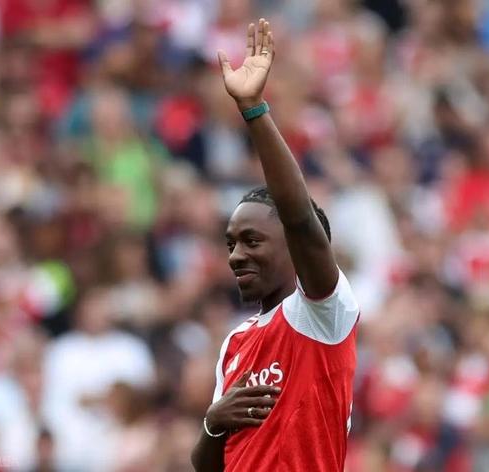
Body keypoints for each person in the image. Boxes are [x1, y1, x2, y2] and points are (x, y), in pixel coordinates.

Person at [191, 18, 360, 472]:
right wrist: (213, 423)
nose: (236, 255)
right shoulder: (236, 341)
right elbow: (208, 467)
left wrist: (254, 111)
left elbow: (300, 217)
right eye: (231, 244)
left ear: (293, 246)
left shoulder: (323, 313)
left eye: (251, 240)